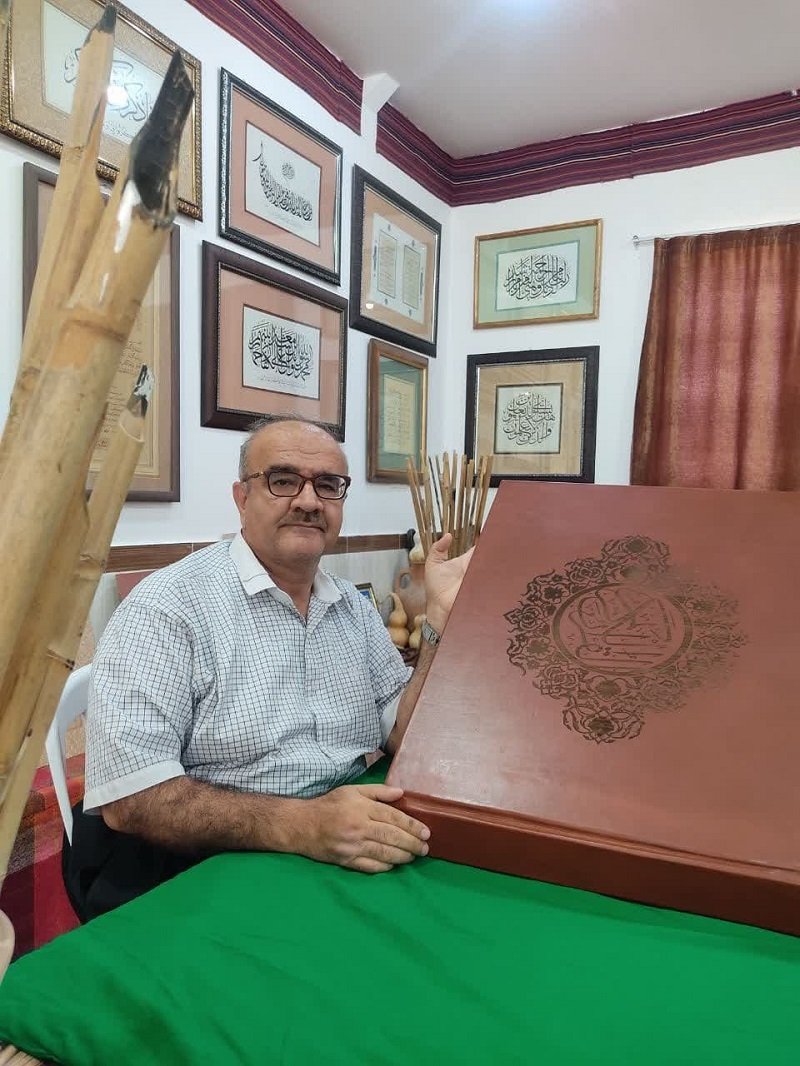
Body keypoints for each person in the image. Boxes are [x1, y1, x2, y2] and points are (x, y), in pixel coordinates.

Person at [63, 416, 473, 921]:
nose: (309, 501)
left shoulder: (352, 607)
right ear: (241, 498)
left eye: (328, 485)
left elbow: (405, 735)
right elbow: (131, 800)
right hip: (190, 868)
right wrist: (305, 826)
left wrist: (438, 625)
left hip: (335, 841)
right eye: (283, 480)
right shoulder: (168, 608)